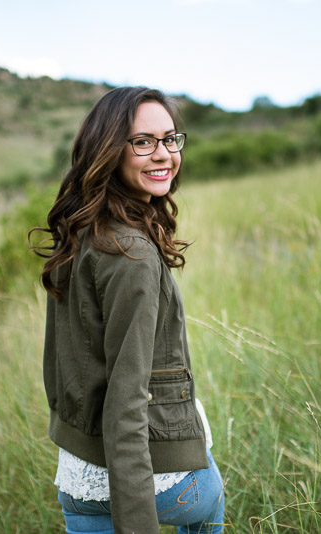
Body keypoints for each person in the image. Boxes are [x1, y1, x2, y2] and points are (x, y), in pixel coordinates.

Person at [30, 86, 225, 533]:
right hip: (159, 484)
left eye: (171, 139)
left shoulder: (81, 232)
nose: (164, 154)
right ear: (109, 151)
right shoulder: (132, 252)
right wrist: (136, 524)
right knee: (208, 505)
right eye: (143, 142)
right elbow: (127, 399)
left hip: (78, 483)